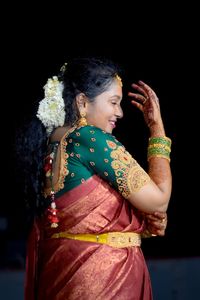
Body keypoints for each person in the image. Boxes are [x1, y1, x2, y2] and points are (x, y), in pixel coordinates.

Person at [19, 56, 172, 300]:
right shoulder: (89, 138)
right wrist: (157, 129)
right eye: (113, 102)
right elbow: (159, 200)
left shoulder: (55, 141)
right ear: (82, 103)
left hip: (64, 272)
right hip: (102, 277)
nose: (120, 113)